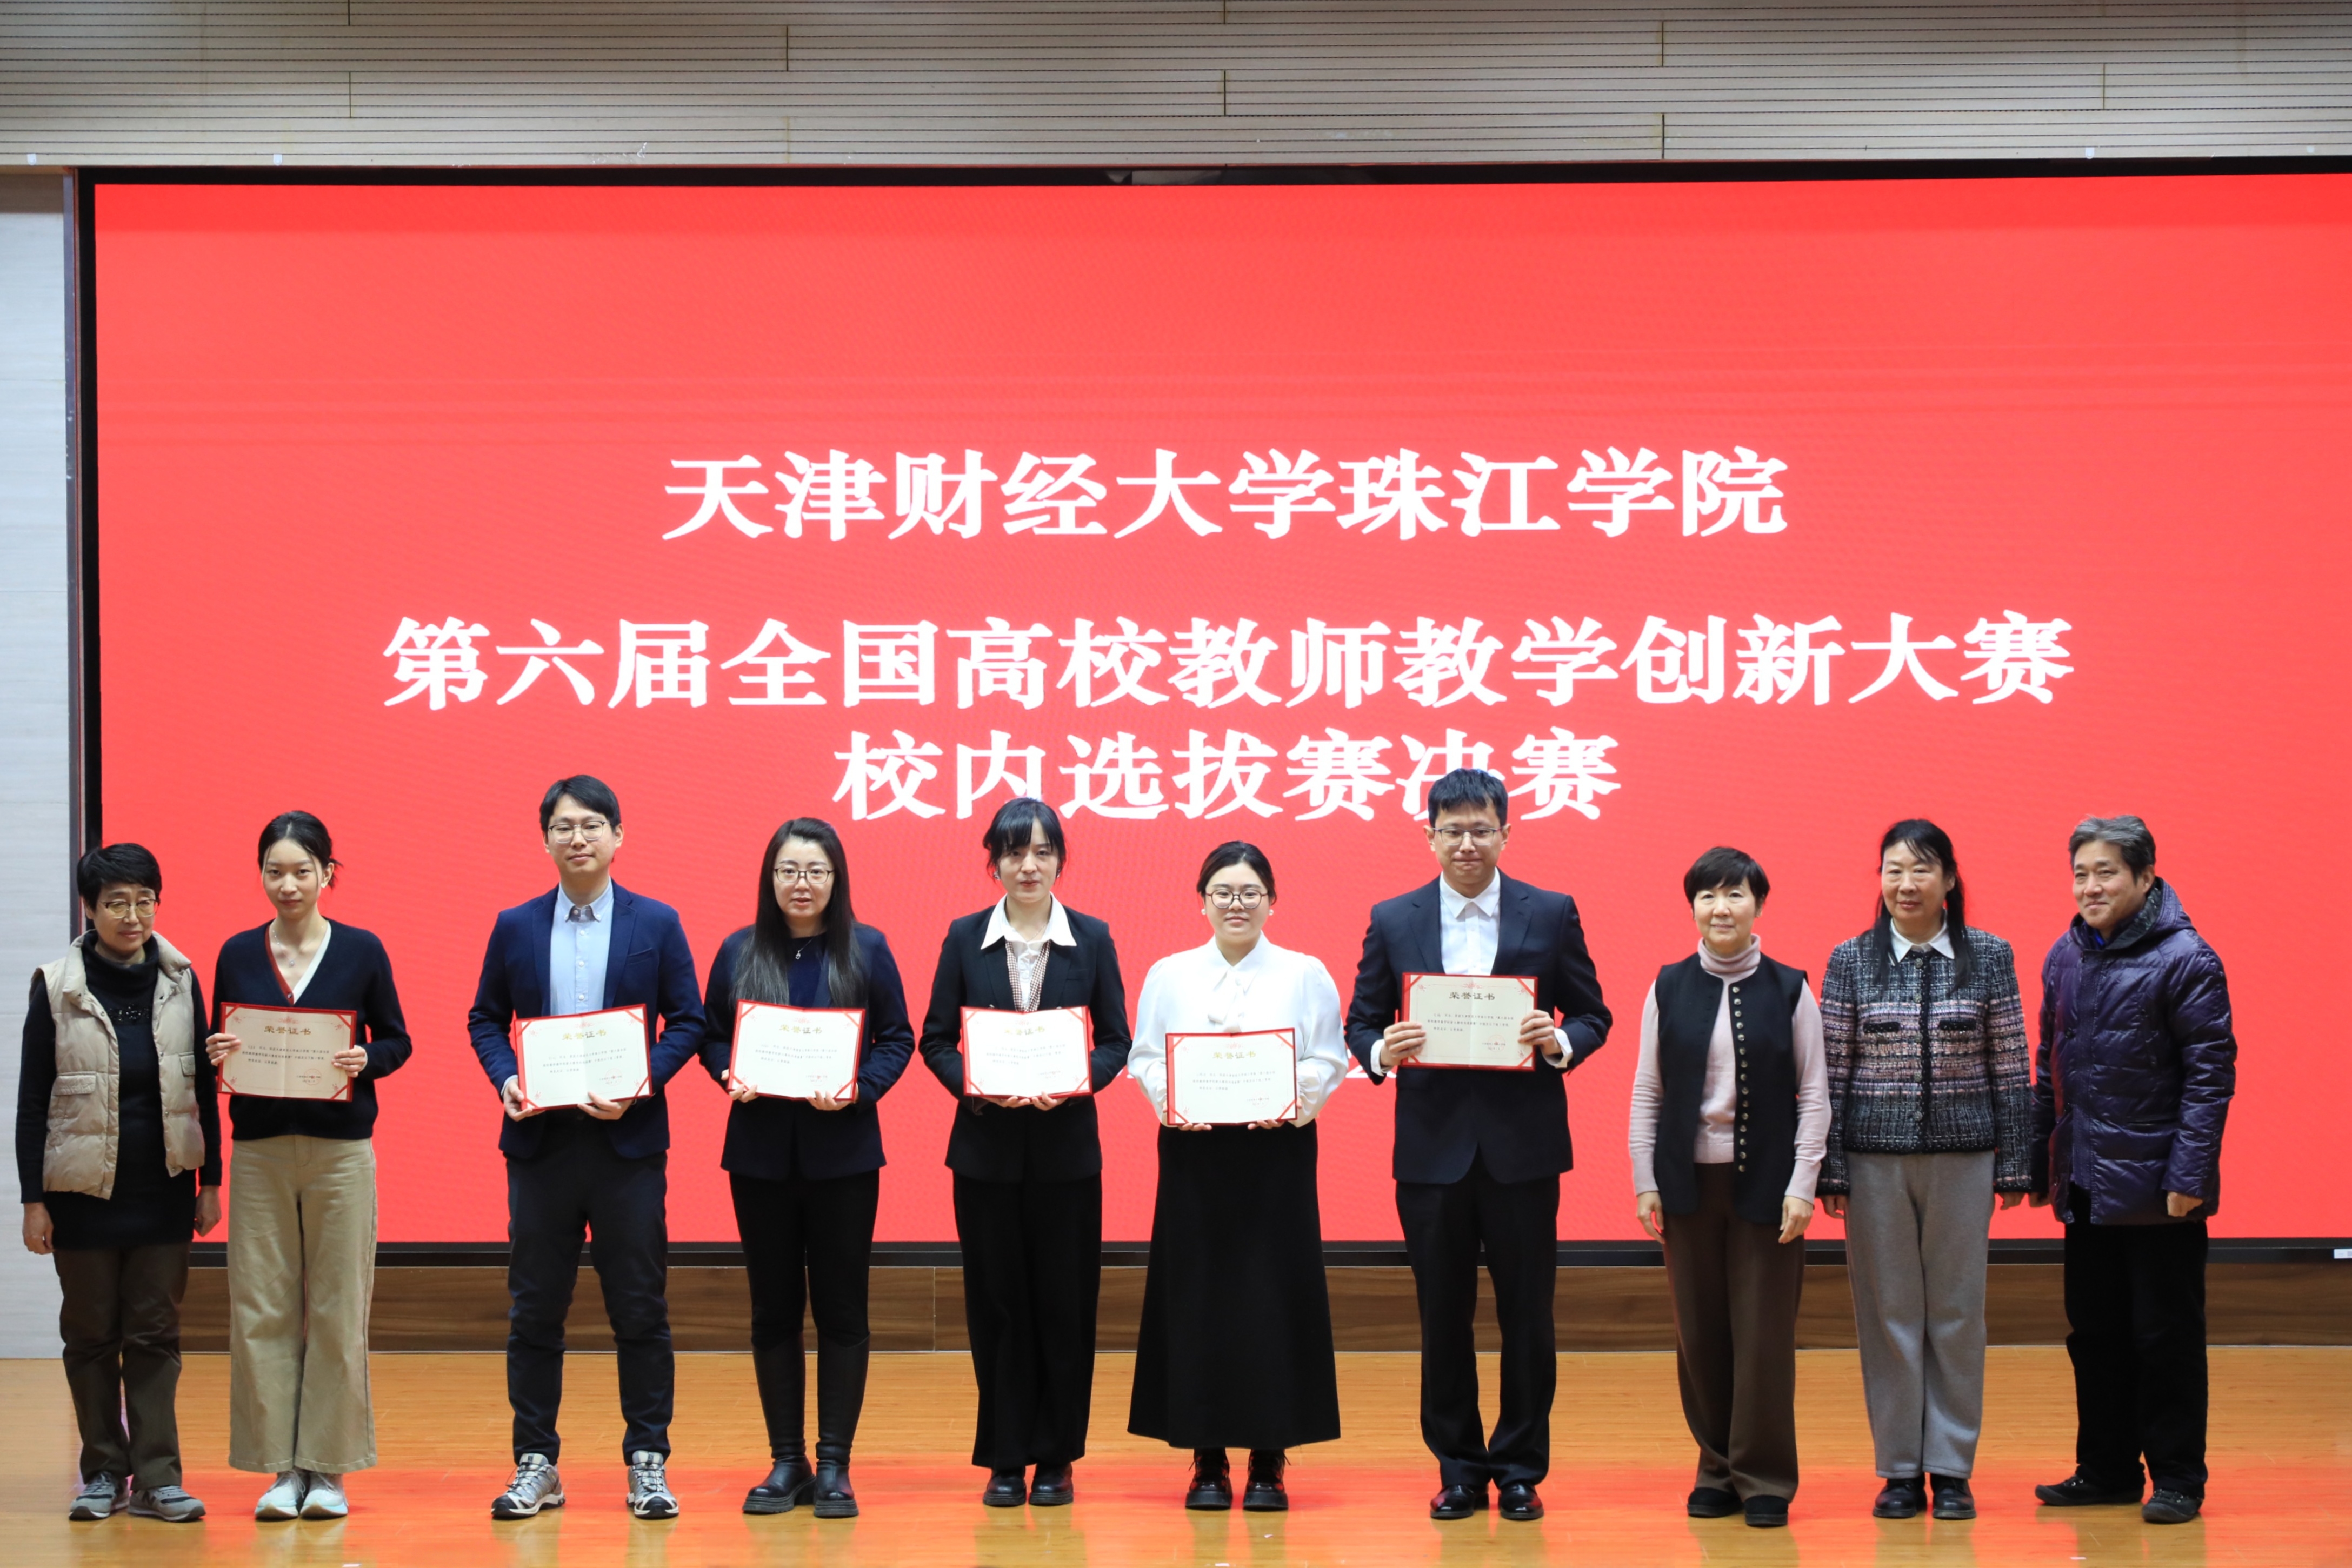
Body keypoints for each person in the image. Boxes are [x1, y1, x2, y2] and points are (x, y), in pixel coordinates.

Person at [1343, 768, 1610, 1522]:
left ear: (1505, 833)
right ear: (1428, 836)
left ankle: (1520, 1469)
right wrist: (1381, 1050)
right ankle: (1458, 1468)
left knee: (1528, 1315)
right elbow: (1359, 1022)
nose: (1467, 843)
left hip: (1522, 1151)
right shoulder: (1392, 918)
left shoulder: (1550, 911)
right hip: (1431, 1155)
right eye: (1452, 830)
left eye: (1481, 829)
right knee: (1442, 1316)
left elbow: (1592, 1014)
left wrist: (1557, 1040)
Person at [465, 775, 705, 1520]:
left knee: (639, 1307)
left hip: (626, 1146)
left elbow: (689, 1021)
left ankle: (648, 1462)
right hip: (540, 1146)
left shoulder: (656, 922)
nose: (578, 838)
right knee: (535, 1310)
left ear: (618, 835)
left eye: (592, 824)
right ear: (545, 840)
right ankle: (537, 1462)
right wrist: (506, 1077)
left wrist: (641, 1082)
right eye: (564, 827)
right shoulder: (515, 925)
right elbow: (484, 1019)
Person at [917, 798, 1132, 1509]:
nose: (1028, 866)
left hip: (1066, 1156)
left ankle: (1058, 1457)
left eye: (1042, 852)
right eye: (1013, 853)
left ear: (1060, 860)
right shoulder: (963, 937)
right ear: (995, 863)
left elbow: (1115, 1042)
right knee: (997, 1305)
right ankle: (1006, 1456)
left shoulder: (1091, 938)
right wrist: (978, 1086)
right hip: (985, 1155)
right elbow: (934, 1039)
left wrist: (1074, 1081)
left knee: (1064, 1306)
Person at [1815, 820, 2031, 1522]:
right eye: (1892, 870)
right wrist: (1830, 1170)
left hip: (1963, 1161)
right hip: (1872, 1166)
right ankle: (1900, 1469)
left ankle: (1951, 1467)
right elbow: (1829, 1071)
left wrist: (2015, 1161)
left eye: (1920, 870)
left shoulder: (1988, 956)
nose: (1904, 885)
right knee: (1889, 1316)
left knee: (1957, 1314)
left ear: (1948, 880)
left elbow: (2009, 1062)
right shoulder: (1850, 959)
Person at [698, 818, 914, 1519]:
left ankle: (834, 1465)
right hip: (760, 1158)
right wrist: (728, 1071)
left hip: (843, 1157)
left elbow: (897, 1039)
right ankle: (786, 1460)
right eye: (789, 870)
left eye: (816, 871)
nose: (802, 883)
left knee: (842, 1309)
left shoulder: (867, 948)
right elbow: (710, 1036)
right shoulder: (739, 950)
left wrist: (860, 1088)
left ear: (835, 879)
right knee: (773, 1310)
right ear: (770, 877)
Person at [203, 812, 411, 1521]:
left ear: (327, 873)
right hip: (259, 1152)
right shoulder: (237, 952)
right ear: (260, 874)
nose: (287, 884)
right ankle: (279, 1469)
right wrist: (216, 1052)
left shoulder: (362, 950)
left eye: (301, 870)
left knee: (336, 1305)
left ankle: (327, 1469)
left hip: (340, 1153)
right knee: (260, 1306)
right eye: (274, 871)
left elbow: (398, 1040)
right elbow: (221, 1041)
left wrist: (366, 1058)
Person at [1127, 841, 1347, 1512]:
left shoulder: (1304, 973)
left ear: (1272, 902)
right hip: (1195, 1155)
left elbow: (1329, 1059)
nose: (1236, 904)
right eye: (1222, 892)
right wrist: (1172, 1101)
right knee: (1198, 1298)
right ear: (1202, 901)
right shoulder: (1169, 974)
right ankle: (1206, 1457)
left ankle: (1269, 1458)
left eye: (1250, 892)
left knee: (1270, 1299)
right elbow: (1144, 1057)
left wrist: (1289, 1099)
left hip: (1275, 1154)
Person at [2029, 816, 2235, 1526]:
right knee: (2094, 1333)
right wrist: (2040, 1161)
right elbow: (2047, 1067)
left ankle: (2176, 1477)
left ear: (2145, 877)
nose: (2089, 887)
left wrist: (2188, 1176)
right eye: (2080, 874)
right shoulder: (2065, 954)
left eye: (2105, 873)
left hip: (2157, 1189)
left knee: (2164, 1336)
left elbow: (2209, 1078)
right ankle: (2107, 1469)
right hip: (2085, 1182)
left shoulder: (2186, 959)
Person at [17, 843, 219, 1524]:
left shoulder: (182, 980)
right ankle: (104, 1472)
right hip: (80, 1196)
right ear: (90, 909)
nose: (132, 916)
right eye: (116, 903)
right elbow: (31, 1102)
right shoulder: (56, 986)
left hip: (163, 1191)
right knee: (92, 1338)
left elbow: (204, 1087)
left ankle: (160, 1478)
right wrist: (33, 1201)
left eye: (144, 901)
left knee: (156, 1336)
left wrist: (211, 1181)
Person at [1630, 847, 1829, 1530]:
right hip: (1686, 1186)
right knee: (1701, 1334)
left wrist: (1803, 1185)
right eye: (1708, 896)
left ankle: (1764, 1475)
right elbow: (1648, 1090)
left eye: (1735, 894)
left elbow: (1814, 1094)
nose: (1721, 908)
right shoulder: (1667, 986)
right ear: (1692, 906)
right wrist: (1644, 1178)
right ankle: (1716, 1467)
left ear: (1758, 905)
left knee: (1764, 1336)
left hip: (1768, 1191)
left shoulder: (1790, 988)